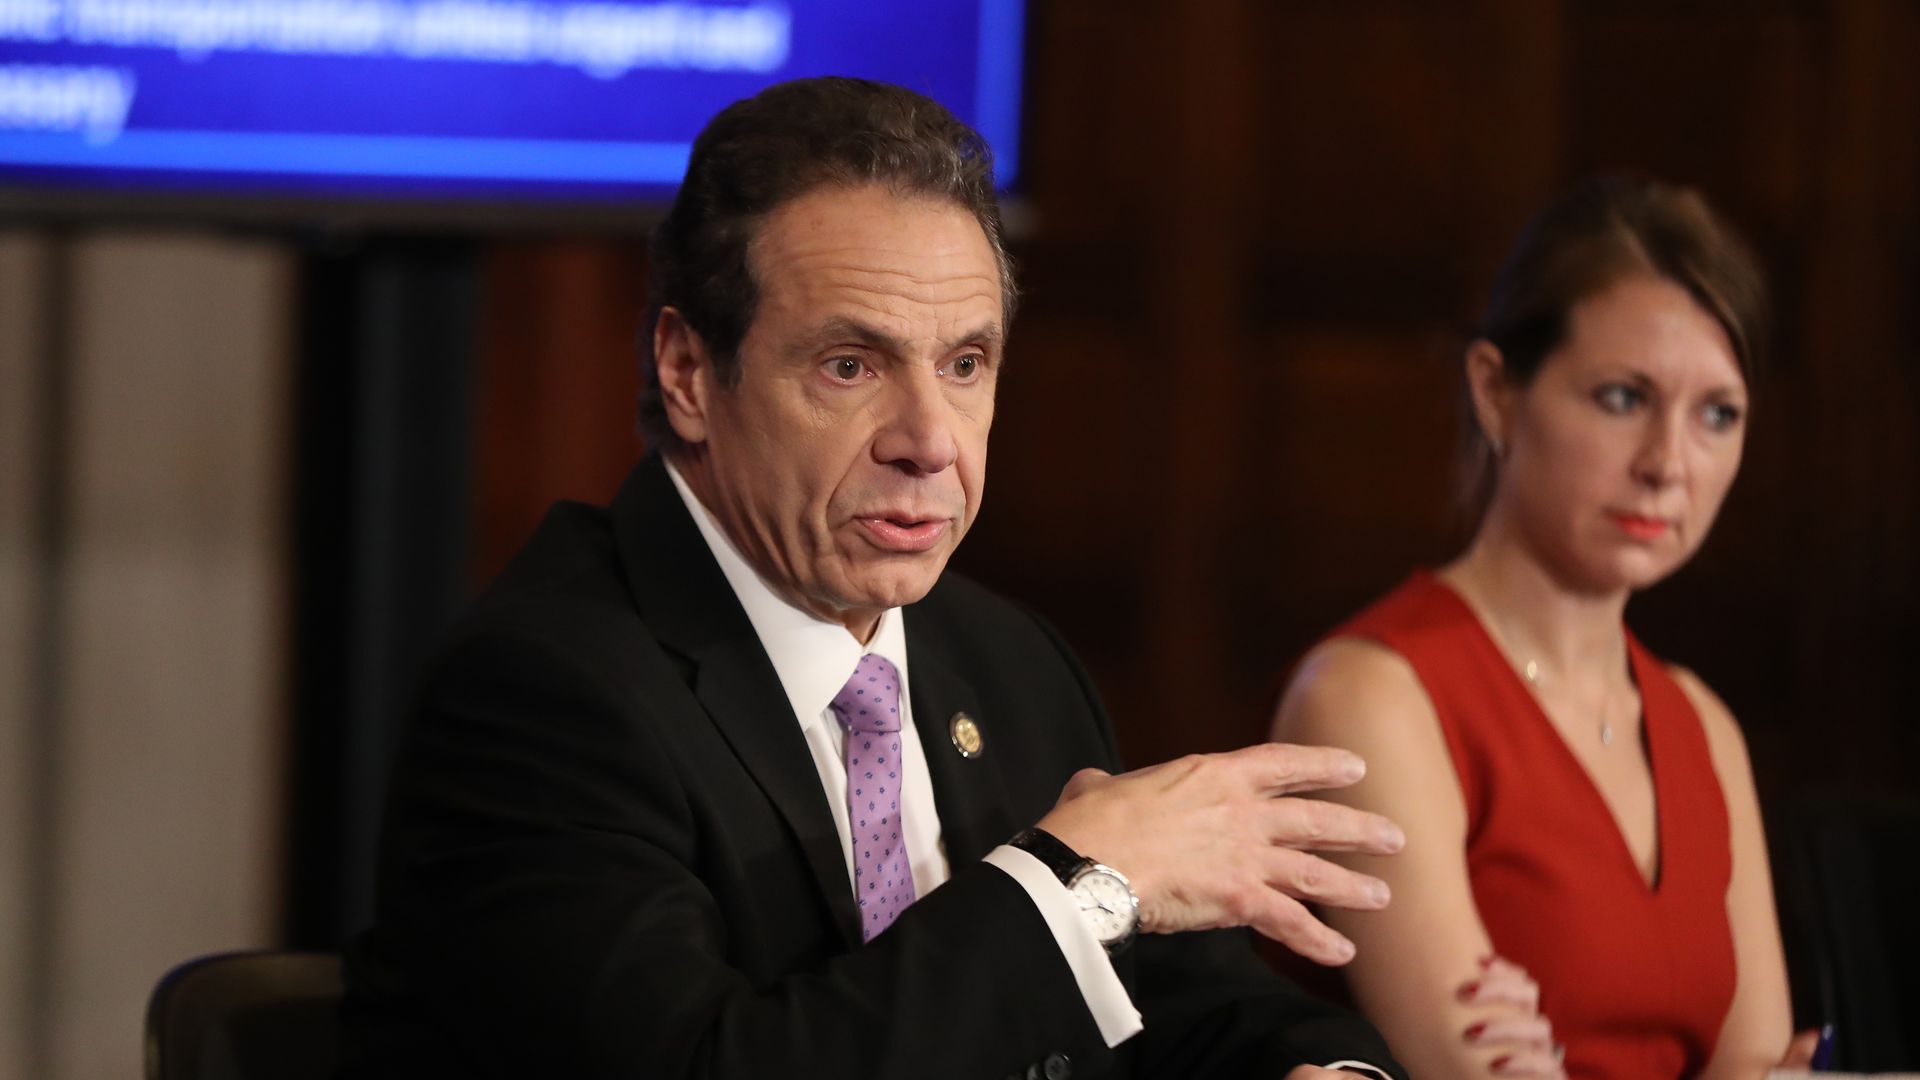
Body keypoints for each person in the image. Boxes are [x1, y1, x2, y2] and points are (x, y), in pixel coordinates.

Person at [339, 77, 1407, 1080]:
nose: (931, 441)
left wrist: (1320, 1069)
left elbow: (1186, 1005)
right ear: (688, 373)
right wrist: (1066, 885)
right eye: (850, 366)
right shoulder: (545, 695)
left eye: (965, 365)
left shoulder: (1006, 660)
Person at [1271, 176, 1810, 1079]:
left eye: (1718, 414)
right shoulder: (1371, 694)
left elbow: (1760, 1065)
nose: (1668, 464)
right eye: (1621, 398)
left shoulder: (1703, 726)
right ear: (1497, 392)